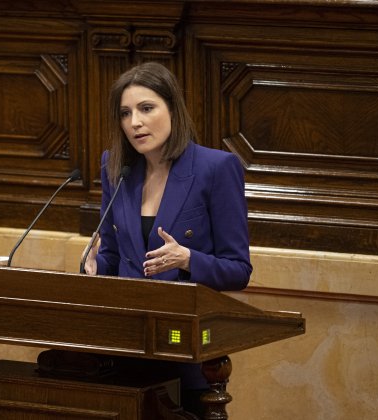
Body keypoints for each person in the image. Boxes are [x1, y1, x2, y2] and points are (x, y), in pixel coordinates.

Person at [82, 61, 252, 417]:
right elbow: (111, 255)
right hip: (124, 348)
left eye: (146, 108)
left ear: (172, 108)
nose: (135, 122)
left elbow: (238, 270)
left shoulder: (216, 168)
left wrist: (188, 259)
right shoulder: (116, 167)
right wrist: (94, 267)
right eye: (125, 113)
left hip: (184, 351)